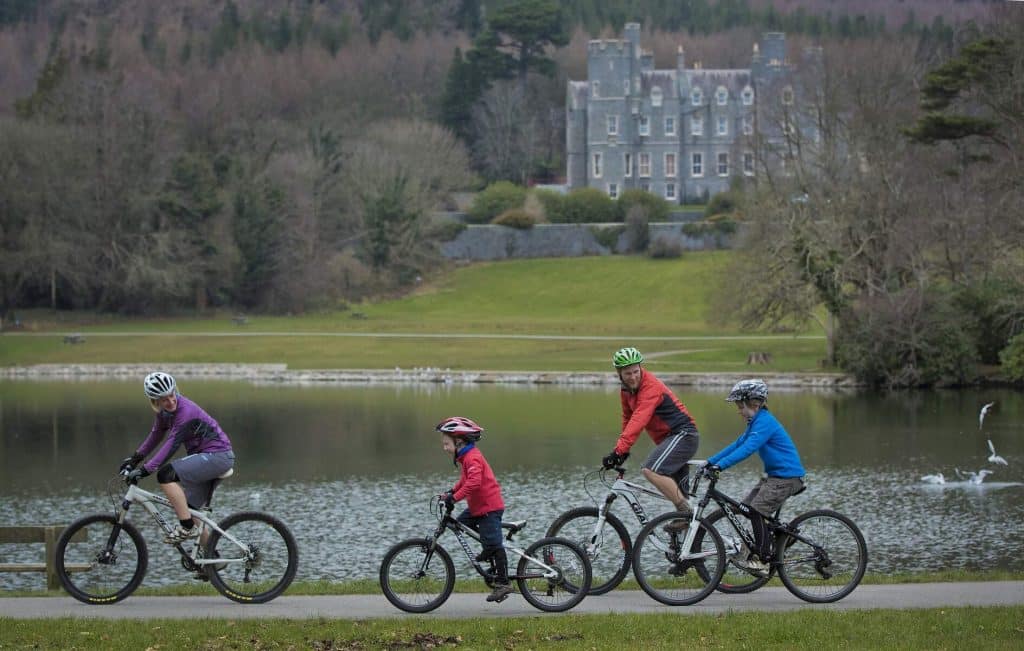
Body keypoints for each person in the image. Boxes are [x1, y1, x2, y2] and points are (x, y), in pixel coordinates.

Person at [120, 371, 235, 546]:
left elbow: (170, 445)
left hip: (218, 455)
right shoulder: (164, 413)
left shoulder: (185, 411)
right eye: (164, 399)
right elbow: (156, 436)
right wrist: (134, 459)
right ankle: (212, 561)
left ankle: (186, 527)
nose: (171, 401)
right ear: (155, 402)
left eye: (172, 395)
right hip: (206, 457)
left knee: (165, 475)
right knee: (190, 510)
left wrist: (145, 470)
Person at [704, 379, 806, 576]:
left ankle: (762, 560)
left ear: (754, 404)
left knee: (757, 510)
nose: (738, 410)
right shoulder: (756, 422)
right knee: (747, 508)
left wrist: (721, 467)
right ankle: (779, 538)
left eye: (740, 406)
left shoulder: (765, 423)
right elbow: (737, 444)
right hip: (775, 477)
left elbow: (748, 449)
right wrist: (710, 462)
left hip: (787, 478)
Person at [602, 346, 699, 533]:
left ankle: (686, 512)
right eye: (627, 373)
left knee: (651, 470)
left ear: (641, 368)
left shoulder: (650, 387)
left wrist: (619, 451)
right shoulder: (626, 391)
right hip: (670, 440)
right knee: (680, 513)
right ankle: (690, 558)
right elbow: (628, 419)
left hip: (684, 435)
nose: (633, 377)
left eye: (635, 371)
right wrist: (623, 451)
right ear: (619, 374)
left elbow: (639, 419)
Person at [436, 416, 513, 603]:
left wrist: (455, 498)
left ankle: (503, 583)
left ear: (459, 441)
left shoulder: (473, 457)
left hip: (488, 507)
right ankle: (489, 550)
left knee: (494, 543)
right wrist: (450, 492)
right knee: (459, 524)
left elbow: (474, 483)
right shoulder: (465, 458)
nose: (444, 448)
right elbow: (464, 481)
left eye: (446, 444)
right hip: (477, 507)